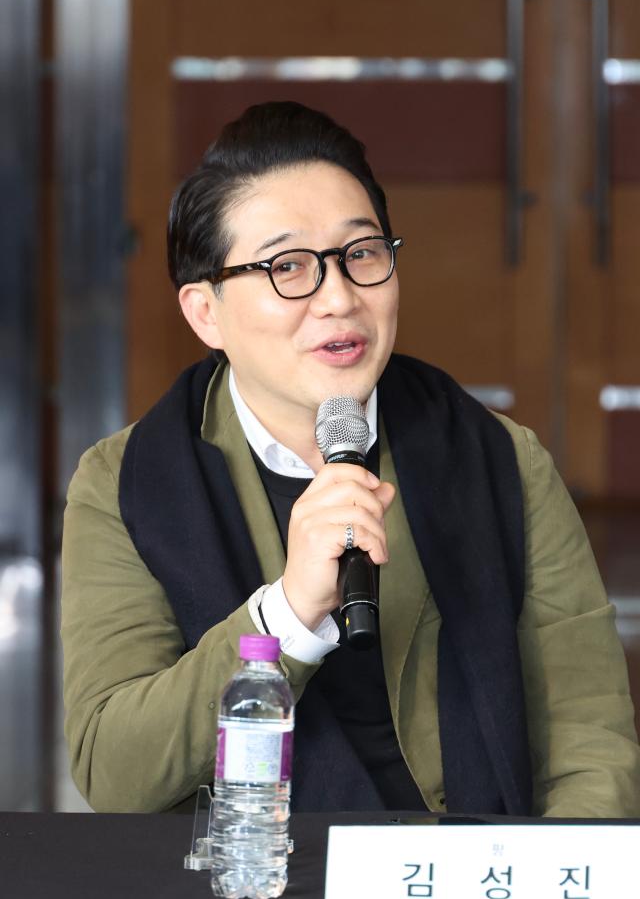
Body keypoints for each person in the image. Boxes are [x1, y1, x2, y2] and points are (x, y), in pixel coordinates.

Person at [62, 101, 640, 816]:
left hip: (463, 893)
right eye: (288, 267)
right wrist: (285, 616)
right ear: (204, 311)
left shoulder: (500, 459)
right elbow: (115, 771)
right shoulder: (124, 485)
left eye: (360, 254)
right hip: (253, 894)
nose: (338, 296)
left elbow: (590, 741)